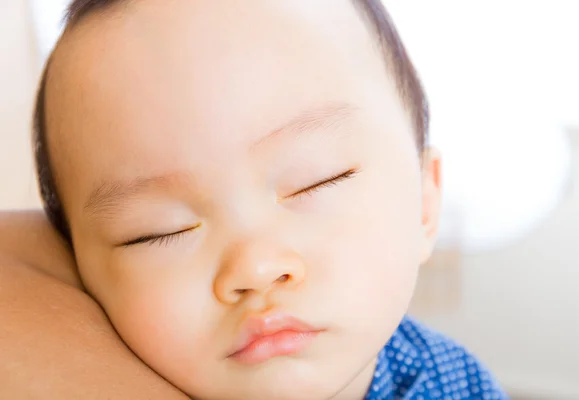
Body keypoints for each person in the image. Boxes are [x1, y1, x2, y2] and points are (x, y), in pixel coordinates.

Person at [1, 0, 508, 399]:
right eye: (158, 231)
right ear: (77, 272)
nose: (256, 267)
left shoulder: (456, 384)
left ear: (423, 204)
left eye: (318, 181)